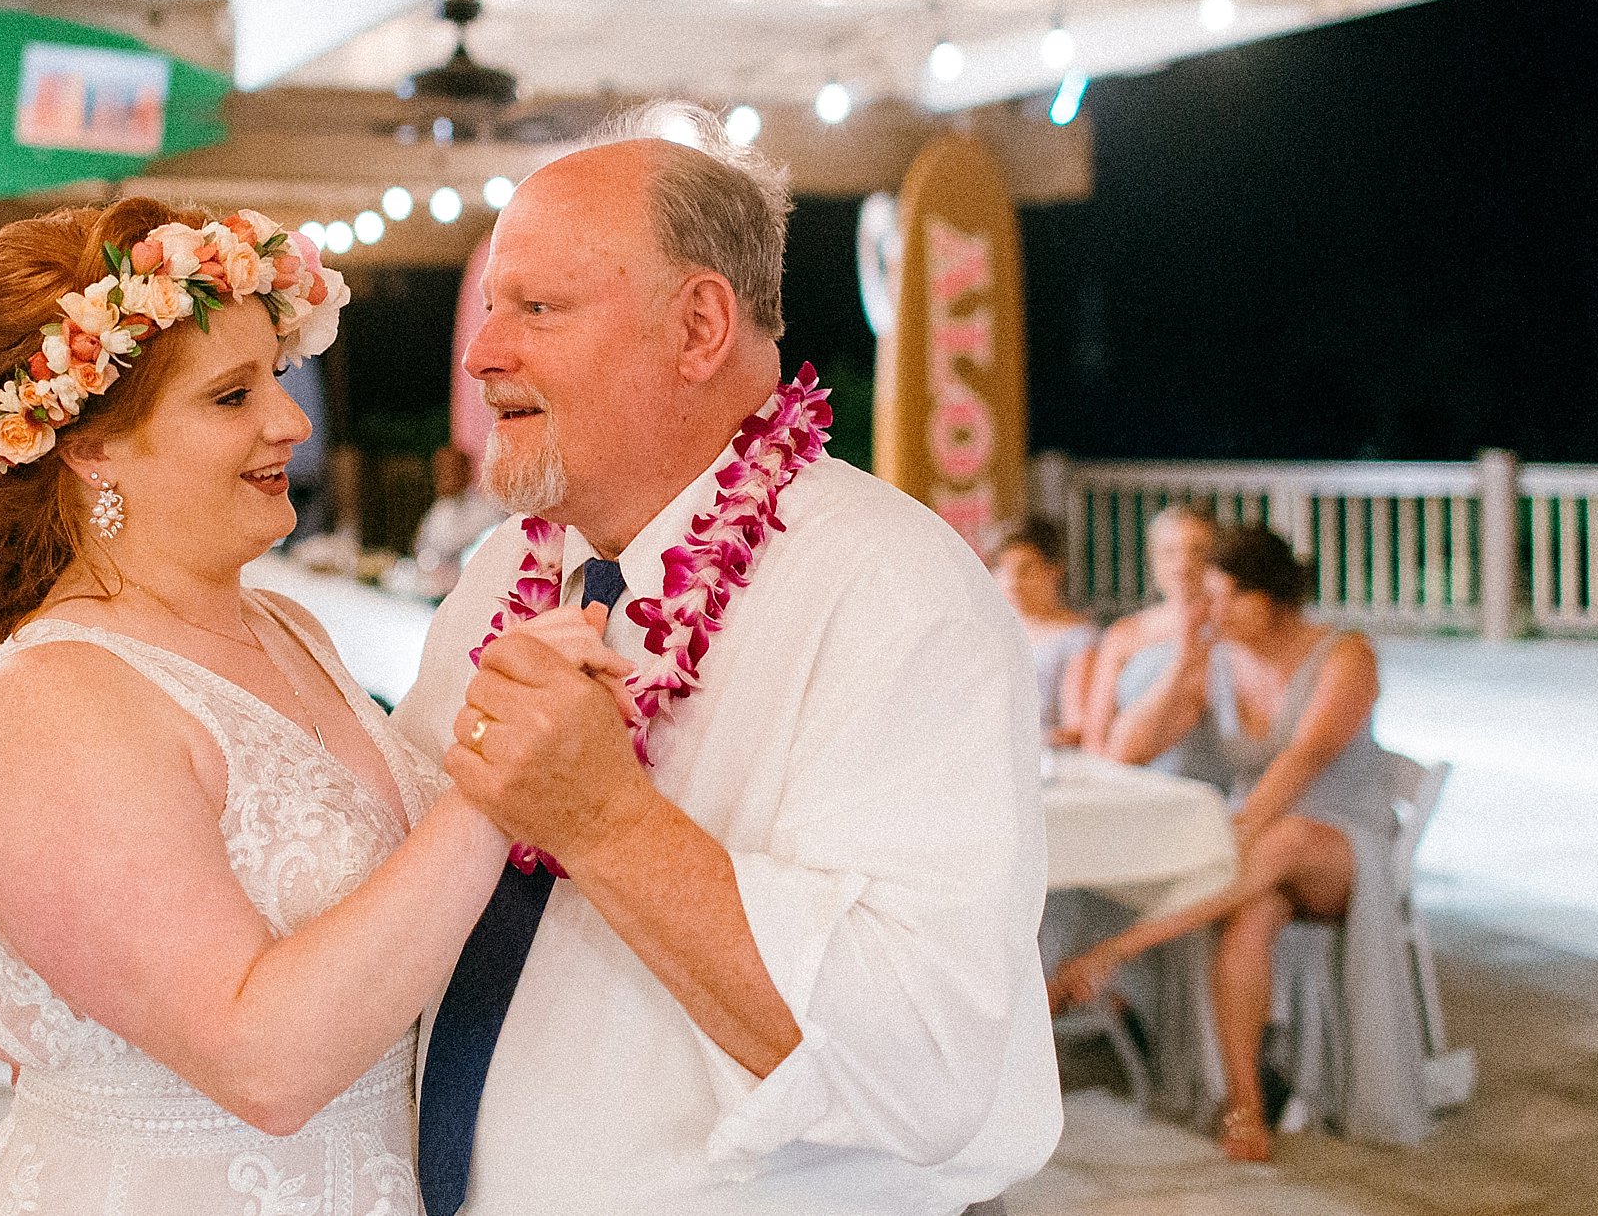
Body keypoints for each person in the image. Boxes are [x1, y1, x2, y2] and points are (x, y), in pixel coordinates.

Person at [394, 110, 1059, 1215]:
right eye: (492, 307)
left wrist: (604, 819)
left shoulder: (895, 595)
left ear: (699, 324)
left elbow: (925, 1062)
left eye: (537, 307)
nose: (481, 351)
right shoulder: (502, 569)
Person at [0, 199, 513, 1216]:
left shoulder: (289, 626)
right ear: (89, 446)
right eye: (231, 394)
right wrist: (502, 788)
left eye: (277, 377)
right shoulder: (53, 703)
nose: (288, 421)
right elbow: (264, 1064)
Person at [1048, 525, 1430, 1157]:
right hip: (1259, 849)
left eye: (1225, 597)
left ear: (1270, 596)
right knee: (1247, 924)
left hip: (1343, 847)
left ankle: (1114, 951)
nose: (1212, 612)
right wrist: (1186, 666)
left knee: (1284, 839)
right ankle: (1245, 1111)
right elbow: (1123, 750)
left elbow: (1303, 760)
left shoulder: (1346, 655)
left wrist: (1236, 835)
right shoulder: (1219, 657)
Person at [1078, 504, 1228, 778]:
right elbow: (1096, 738)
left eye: (1198, 551)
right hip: (1131, 782)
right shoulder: (1125, 633)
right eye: (1170, 552)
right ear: (1154, 559)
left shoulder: (1231, 631)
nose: (1183, 564)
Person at [987, 517, 1099, 743]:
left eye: (1025, 569)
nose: (1012, 582)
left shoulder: (1079, 639)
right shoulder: (991, 633)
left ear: (1054, 571)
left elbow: (1076, 729)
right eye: (1002, 569)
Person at [387, 444, 504, 599]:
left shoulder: (488, 511)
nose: (442, 478)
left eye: (449, 471)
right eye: (439, 472)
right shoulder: (439, 509)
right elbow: (420, 549)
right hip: (432, 592)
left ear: (466, 472)